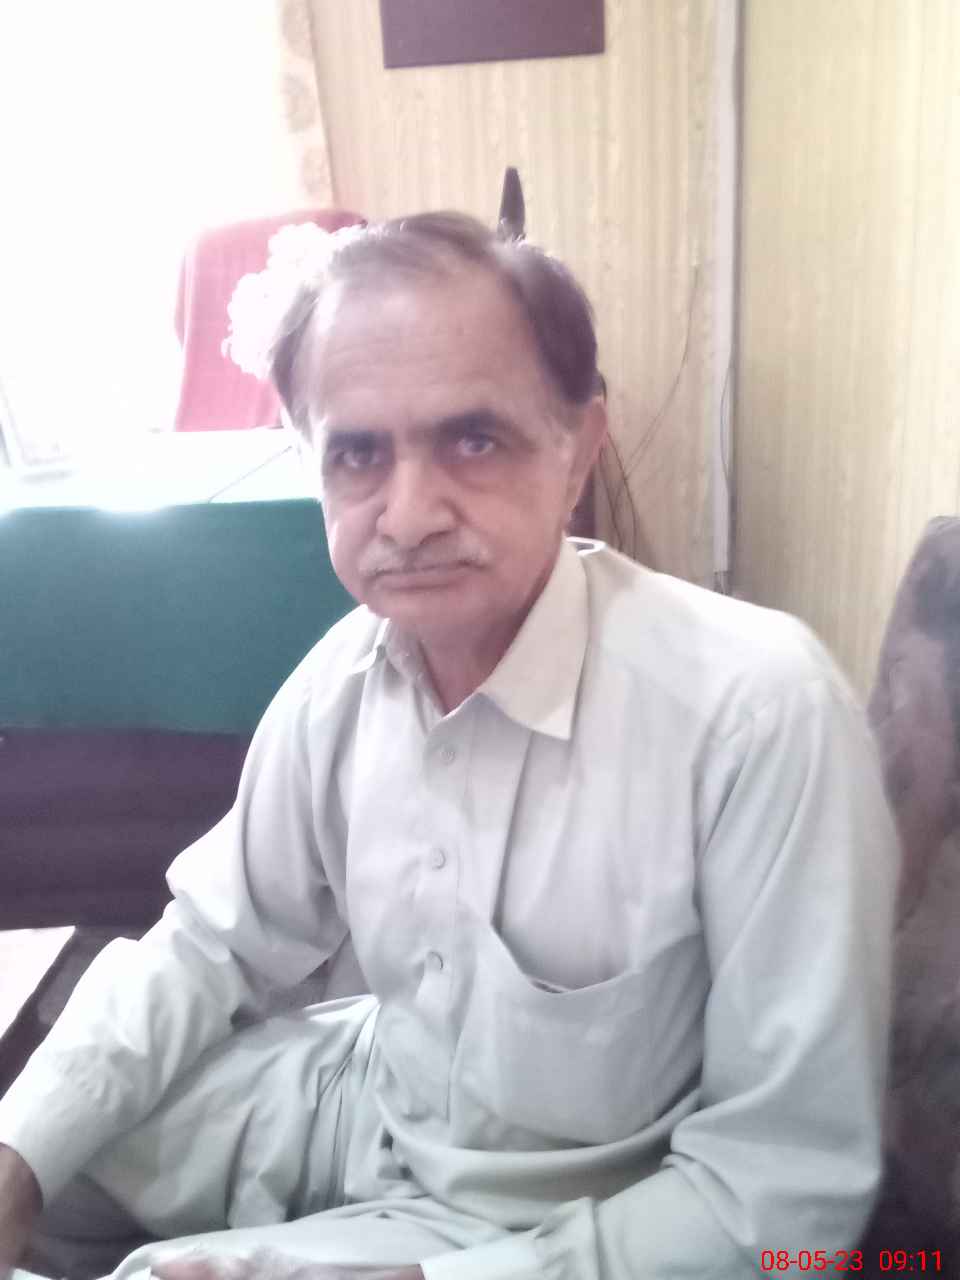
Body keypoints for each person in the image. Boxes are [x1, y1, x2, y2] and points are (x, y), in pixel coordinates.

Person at [0, 213, 898, 1280]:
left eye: (473, 440)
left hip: (561, 1215)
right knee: (51, 1136)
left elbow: (786, 1193)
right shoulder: (343, 679)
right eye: (358, 454)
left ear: (578, 449)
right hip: (363, 1099)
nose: (410, 515)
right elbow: (210, 943)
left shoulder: (756, 713)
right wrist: (17, 1158)